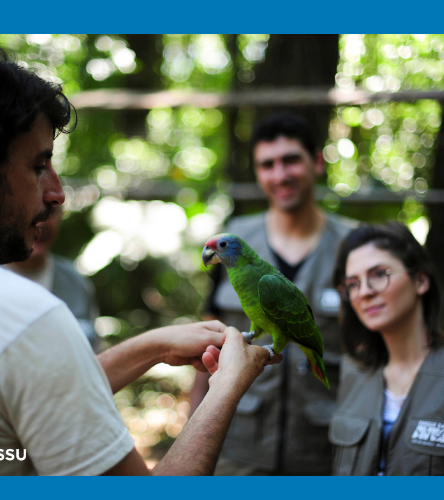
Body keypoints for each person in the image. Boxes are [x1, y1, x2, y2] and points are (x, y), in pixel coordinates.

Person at [0, 41, 280, 476]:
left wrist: (154, 344)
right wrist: (224, 389)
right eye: (38, 166)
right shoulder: (21, 315)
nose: (55, 194)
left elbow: (31, 389)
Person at [191, 112, 357, 475]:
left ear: (316, 162)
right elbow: (206, 350)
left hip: (327, 451)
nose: (279, 174)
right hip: (237, 449)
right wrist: (192, 436)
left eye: (291, 160)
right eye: (267, 164)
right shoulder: (232, 237)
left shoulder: (356, 247)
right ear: (256, 172)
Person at [330, 222, 444, 475]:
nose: (364, 292)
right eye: (352, 283)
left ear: (420, 280)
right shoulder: (353, 369)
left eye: (378, 275)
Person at [5, 205, 101, 351]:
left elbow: (93, 354)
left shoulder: (76, 283)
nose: (41, 222)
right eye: (29, 210)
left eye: (50, 211)